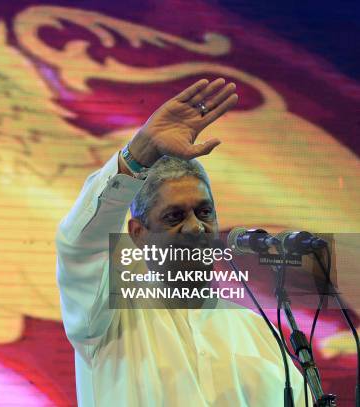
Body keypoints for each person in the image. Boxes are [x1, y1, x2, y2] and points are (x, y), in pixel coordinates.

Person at [55, 78, 307, 406]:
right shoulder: (107, 318)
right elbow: (80, 243)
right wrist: (139, 154)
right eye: (174, 217)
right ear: (138, 234)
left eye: (204, 212)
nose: (195, 227)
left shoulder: (261, 336)